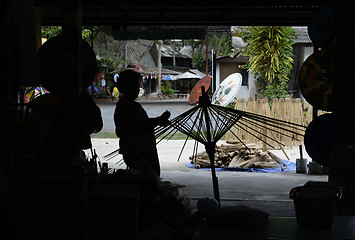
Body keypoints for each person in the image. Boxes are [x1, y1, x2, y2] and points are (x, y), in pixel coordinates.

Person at [114, 69, 170, 180]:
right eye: (136, 85)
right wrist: (158, 121)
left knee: (152, 178)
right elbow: (137, 126)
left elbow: (142, 123)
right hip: (137, 153)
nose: (138, 88)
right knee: (148, 182)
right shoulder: (124, 106)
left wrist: (158, 121)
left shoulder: (134, 105)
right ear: (126, 87)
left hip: (145, 150)